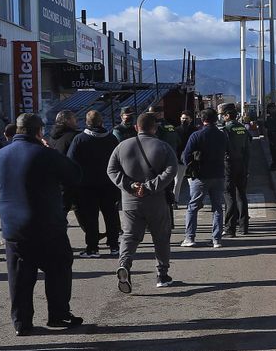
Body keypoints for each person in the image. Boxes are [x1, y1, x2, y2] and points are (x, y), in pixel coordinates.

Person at [0, 113, 84, 335]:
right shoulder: (46, 154)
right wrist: (50, 150)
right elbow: (74, 176)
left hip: (14, 228)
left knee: (19, 277)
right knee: (58, 271)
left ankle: (22, 323)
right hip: (47, 226)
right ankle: (58, 315)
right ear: (39, 132)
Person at [108, 111, 179, 291]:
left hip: (130, 200)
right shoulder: (163, 147)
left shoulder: (122, 146)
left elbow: (112, 170)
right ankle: (162, 275)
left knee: (129, 236)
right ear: (154, 128)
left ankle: (125, 264)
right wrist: (149, 186)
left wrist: (131, 185)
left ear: (135, 127)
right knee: (161, 237)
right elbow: (171, 170)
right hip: (156, 200)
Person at [66, 110, 122, 258]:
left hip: (87, 187)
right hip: (109, 184)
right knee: (111, 215)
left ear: (86, 122)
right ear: (101, 122)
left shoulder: (79, 139)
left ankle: (92, 248)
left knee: (91, 217)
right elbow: (119, 160)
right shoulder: (111, 138)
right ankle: (114, 245)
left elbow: (70, 162)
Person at [180, 108, 229, 248]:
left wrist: (191, 166)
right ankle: (216, 239)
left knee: (193, 207)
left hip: (200, 176)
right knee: (217, 207)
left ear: (202, 120)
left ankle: (190, 238)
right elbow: (228, 151)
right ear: (216, 119)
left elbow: (186, 156)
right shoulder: (222, 135)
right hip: (218, 174)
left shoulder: (196, 135)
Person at [220, 103, 252, 237]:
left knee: (229, 195)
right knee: (241, 195)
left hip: (229, 164)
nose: (222, 118)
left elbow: (222, 149)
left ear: (227, 116)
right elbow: (248, 149)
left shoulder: (226, 130)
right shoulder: (243, 129)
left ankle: (230, 228)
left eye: (223, 115)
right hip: (242, 164)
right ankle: (244, 227)